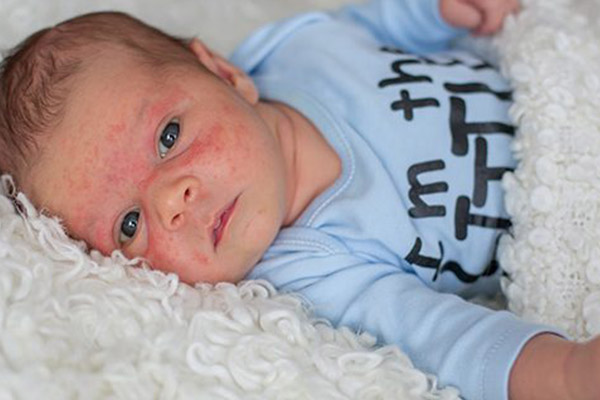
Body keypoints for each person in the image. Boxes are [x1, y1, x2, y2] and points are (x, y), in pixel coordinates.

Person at [0, 1, 597, 399]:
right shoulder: (313, 273)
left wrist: (433, 9)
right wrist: (567, 374)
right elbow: (447, 340)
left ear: (225, 74)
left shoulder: (296, 51)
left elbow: (373, 25)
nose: (173, 202)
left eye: (168, 137)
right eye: (129, 225)